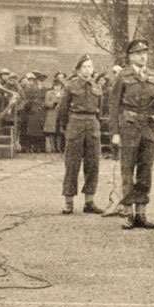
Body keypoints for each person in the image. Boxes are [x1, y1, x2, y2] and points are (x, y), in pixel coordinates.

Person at [109, 39, 154, 229]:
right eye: (138, 53)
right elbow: (113, 106)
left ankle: (141, 213)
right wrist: (114, 132)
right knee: (127, 169)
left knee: (146, 170)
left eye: (145, 52)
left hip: (149, 128)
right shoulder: (123, 76)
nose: (143, 56)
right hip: (129, 126)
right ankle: (128, 213)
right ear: (131, 56)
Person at [56, 55, 104, 214]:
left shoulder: (97, 87)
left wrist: (95, 125)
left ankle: (89, 201)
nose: (87, 70)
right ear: (78, 70)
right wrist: (67, 128)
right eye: (84, 67)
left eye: (90, 67)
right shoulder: (70, 86)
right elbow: (62, 110)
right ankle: (68, 201)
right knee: (72, 164)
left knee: (93, 164)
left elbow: (100, 110)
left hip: (92, 124)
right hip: (75, 123)